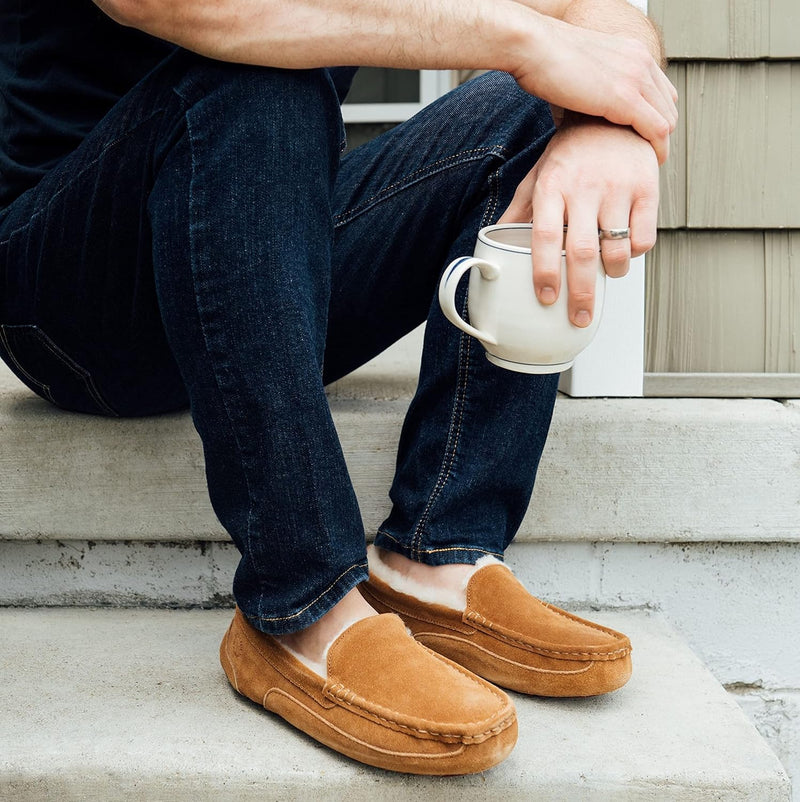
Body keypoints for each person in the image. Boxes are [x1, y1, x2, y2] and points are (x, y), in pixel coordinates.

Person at [0, 0, 676, 776]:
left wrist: (602, 120)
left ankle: (436, 558)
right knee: (257, 75)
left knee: (525, 111)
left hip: (246, 251)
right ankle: (300, 607)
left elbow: (596, 12)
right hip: (74, 308)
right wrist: (527, 40)